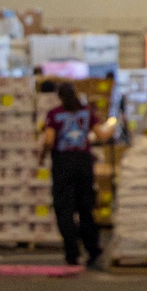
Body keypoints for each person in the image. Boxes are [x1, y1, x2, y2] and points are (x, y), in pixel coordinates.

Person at [41, 81, 110, 268]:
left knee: (64, 210)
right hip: (83, 163)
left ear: (60, 97)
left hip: (63, 164)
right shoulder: (87, 112)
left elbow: (49, 140)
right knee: (86, 209)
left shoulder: (54, 114)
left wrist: (42, 156)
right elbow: (101, 136)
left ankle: (72, 252)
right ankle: (93, 250)